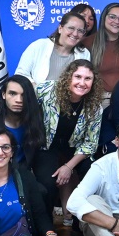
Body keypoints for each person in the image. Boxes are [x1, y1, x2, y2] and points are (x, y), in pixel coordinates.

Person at [34, 59, 104, 223]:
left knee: (92, 173)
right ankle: (45, 226)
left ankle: (84, 223)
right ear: (68, 78)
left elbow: (90, 144)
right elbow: (20, 104)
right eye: (77, 77)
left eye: (88, 79)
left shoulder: (94, 107)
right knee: (47, 183)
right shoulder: (47, 90)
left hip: (76, 149)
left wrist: (68, 167)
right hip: (47, 146)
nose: (82, 83)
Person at [14, 11, 91, 86]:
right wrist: (38, 90)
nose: (75, 34)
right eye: (71, 28)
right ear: (60, 28)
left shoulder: (84, 54)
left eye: (80, 31)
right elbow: (21, 74)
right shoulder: (39, 46)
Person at [82, 2, 119, 96]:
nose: (116, 21)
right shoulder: (87, 43)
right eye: (112, 17)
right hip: (97, 99)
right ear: (104, 18)